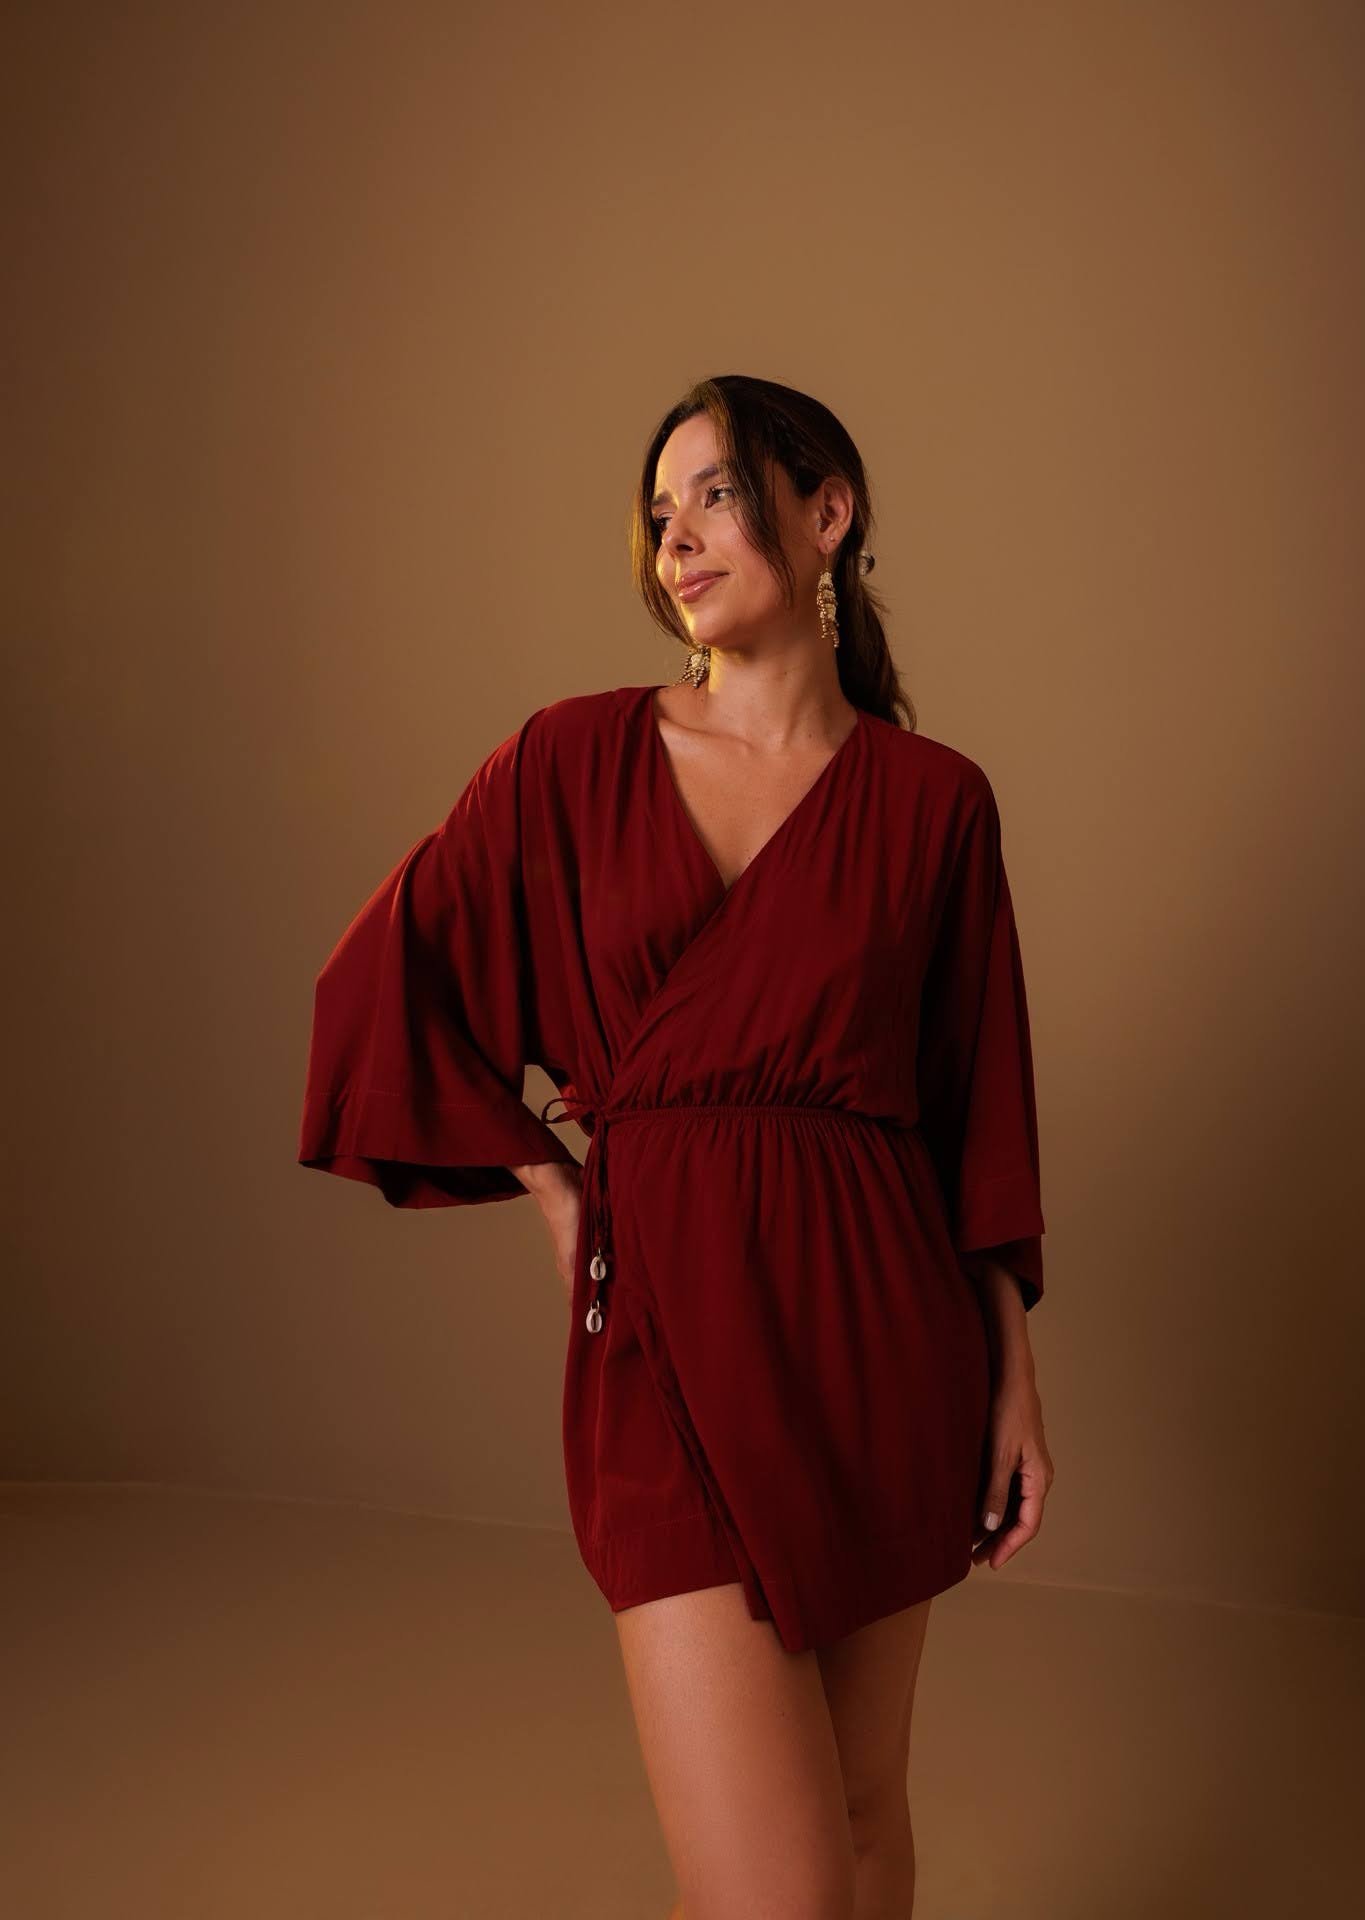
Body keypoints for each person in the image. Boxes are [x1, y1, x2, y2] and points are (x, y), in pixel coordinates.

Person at [297, 373, 1054, 1918]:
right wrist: (552, 1185)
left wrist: (1015, 1378)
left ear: (827, 512)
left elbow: (978, 1110)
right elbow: (385, 981)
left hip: (885, 1344)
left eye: (714, 494)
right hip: (662, 1334)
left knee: (863, 1823)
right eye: (660, 514)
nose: (678, 540)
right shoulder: (571, 763)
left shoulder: (936, 805)